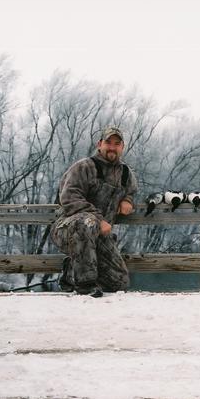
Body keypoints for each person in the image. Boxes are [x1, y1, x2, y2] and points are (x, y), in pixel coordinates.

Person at [51, 126, 138, 297]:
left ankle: (71, 271)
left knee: (119, 282)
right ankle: (85, 285)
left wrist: (127, 200)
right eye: (108, 142)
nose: (112, 147)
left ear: (122, 147)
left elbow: (132, 190)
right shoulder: (83, 167)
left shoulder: (126, 173)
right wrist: (99, 220)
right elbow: (69, 198)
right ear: (99, 144)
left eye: (117, 144)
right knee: (87, 222)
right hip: (68, 230)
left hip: (99, 235)